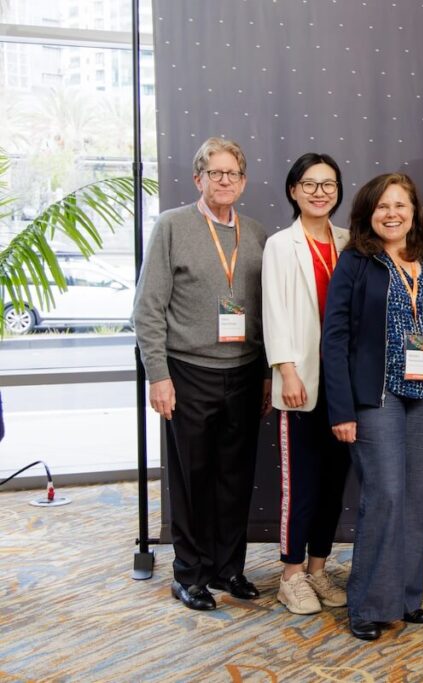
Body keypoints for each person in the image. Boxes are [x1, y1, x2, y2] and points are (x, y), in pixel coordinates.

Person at [322, 172, 423, 641]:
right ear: (369, 212)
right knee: (384, 495)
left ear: (413, 212)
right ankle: (368, 603)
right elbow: (335, 339)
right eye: (383, 206)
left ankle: (405, 599)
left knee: (417, 498)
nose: (392, 214)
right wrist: (341, 410)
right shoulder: (356, 263)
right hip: (375, 397)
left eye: (401, 205)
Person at [134, 137, 270, 611]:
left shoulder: (255, 233)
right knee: (192, 478)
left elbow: (267, 310)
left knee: (235, 477)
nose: (225, 181)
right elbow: (147, 310)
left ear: (244, 181)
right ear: (199, 179)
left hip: (246, 372)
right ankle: (189, 574)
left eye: (233, 173)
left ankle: (228, 567)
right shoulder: (172, 227)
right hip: (188, 372)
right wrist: (158, 375)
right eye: (216, 173)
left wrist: (269, 374)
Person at [262, 153, 351, 615]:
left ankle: (318, 569)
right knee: (301, 485)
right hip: (302, 382)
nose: (320, 191)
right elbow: (273, 309)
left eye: (329, 183)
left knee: (335, 483)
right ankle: (290, 574)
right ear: (293, 190)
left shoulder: (349, 242)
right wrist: (286, 368)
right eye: (310, 183)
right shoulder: (281, 244)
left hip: (342, 386)